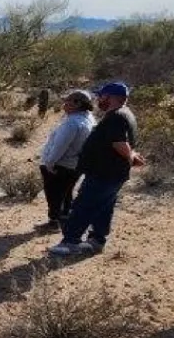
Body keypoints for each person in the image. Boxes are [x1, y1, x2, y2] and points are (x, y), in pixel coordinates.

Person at [48, 82, 145, 257]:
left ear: (109, 97)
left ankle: (70, 242)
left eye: (101, 96)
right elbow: (123, 142)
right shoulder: (125, 114)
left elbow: (120, 143)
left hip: (104, 173)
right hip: (112, 173)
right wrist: (132, 154)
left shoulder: (116, 116)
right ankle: (96, 241)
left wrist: (130, 156)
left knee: (83, 206)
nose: (99, 99)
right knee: (104, 207)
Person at [37, 89, 96, 230]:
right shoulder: (89, 119)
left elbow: (60, 146)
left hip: (61, 164)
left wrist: (49, 163)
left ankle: (53, 221)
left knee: (54, 193)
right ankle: (64, 216)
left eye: (68, 101)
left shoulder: (72, 123)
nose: (64, 103)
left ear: (77, 104)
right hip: (75, 165)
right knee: (66, 191)